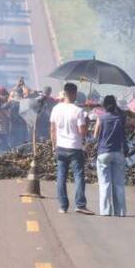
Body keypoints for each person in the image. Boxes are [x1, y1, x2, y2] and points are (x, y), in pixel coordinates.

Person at [50, 83, 90, 214]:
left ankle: (63, 206)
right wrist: (87, 122)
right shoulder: (78, 111)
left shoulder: (56, 109)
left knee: (61, 176)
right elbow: (82, 132)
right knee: (78, 176)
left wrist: (53, 145)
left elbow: (52, 129)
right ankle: (80, 204)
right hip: (74, 147)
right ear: (73, 94)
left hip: (60, 147)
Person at [94, 95, 127, 217]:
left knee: (105, 183)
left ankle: (106, 211)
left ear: (104, 106)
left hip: (103, 153)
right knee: (118, 184)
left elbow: (95, 135)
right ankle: (121, 212)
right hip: (118, 152)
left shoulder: (101, 118)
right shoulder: (121, 118)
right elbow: (124, 132)